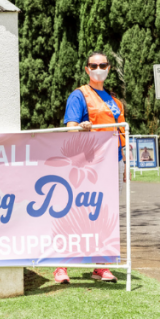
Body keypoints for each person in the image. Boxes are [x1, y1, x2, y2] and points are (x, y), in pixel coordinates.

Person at [59, 51, 125, 284]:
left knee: (105, 214)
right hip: (88, 163)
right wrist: (82, 128)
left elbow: (120, 134)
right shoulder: (79, 95)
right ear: (87, 69)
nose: (98, 68)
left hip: (113, 161)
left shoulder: (114, 100)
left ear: (109, 68)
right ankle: (61, 265)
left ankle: (101, 265)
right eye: (93, 65)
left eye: (103, 64)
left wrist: (124, 163)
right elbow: (70, 129)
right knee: (76, 210)